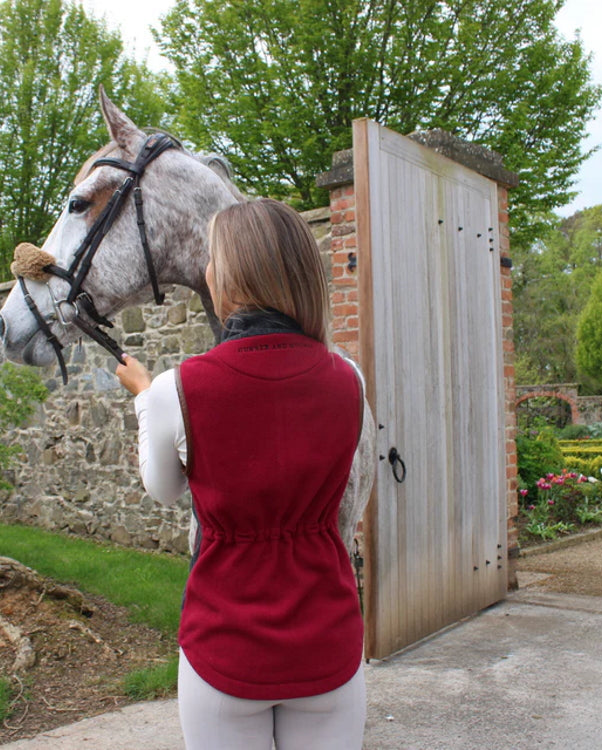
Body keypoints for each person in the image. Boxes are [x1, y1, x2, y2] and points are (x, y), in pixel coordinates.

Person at [115, 198, 367, 749]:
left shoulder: (175, 390)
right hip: (327, 634)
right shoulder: (348, 379)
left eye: (211, 258)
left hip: (224, 642)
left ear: (226, 274)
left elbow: (164, 490)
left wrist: (145, 398)